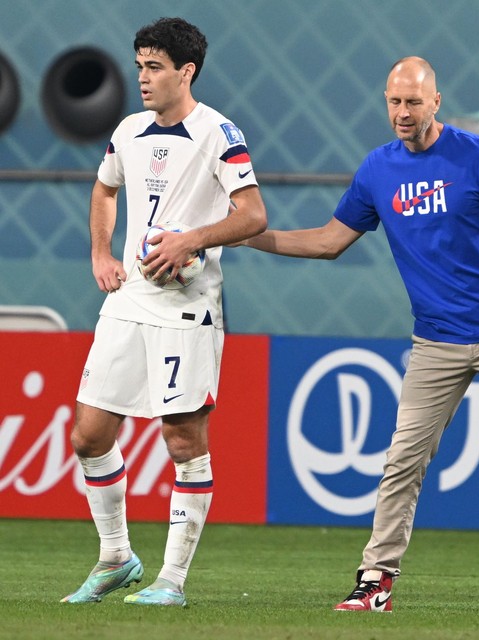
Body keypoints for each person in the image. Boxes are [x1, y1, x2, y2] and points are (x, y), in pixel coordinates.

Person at [235, 57, 479, 617]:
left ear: (436, 102)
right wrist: (244, 236)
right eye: (394, 101)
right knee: (402, 462)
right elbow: (327, 241)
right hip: (436, 342)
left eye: (414, 101)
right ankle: (375, 581)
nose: (403, 112)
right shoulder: (377, 170)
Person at [61, 17, 267, 607]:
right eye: (140, 66)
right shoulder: (127, 131)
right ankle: (116, 557)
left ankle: (171, 582)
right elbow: (105, 189)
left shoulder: (220, 134)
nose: (143, 78)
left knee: (182, 441)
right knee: (89, 434)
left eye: (155, 67)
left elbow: (253, 215)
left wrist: (191, 240)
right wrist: (102, 252)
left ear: (187, 72)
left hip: (187, 311)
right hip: (128, 304)